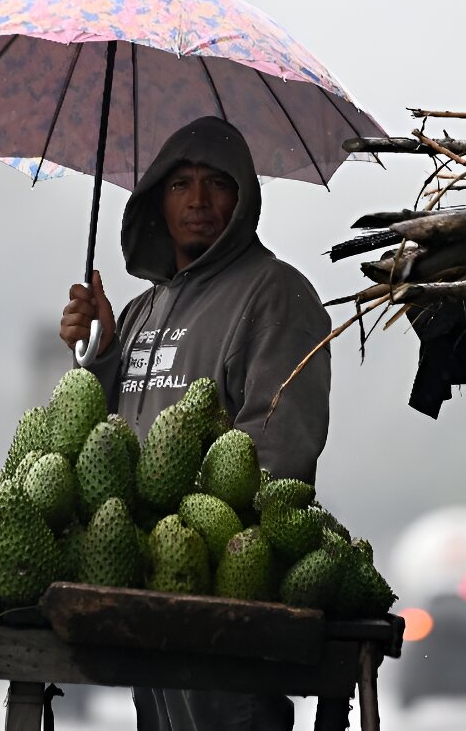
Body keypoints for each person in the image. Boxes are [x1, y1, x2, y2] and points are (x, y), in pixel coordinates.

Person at [59, 115, 332, 730]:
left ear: (244, 198)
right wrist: (97, 353)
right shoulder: (137, 311)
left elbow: (280, 449)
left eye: (216, 182)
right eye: (180, 184)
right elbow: (102, 444)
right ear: (158, 198)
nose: (199, 201)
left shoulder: (276, 295)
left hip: (222, 603)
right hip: (142, 589)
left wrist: (204, 540)